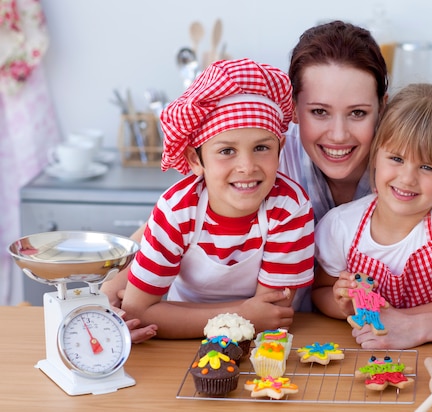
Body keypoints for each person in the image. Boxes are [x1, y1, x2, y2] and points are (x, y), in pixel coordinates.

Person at [104, 20, 432, 343]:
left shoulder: (416, 167)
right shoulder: (266, 156)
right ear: (292, 110)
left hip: (358, 340)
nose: (339, 135)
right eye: (319, 112)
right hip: (279, 336)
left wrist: (420, 323)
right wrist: (111, 288)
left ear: (382, 108)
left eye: (358, 114)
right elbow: (167, 224)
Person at [117, 58, 315, 339]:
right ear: (194, 159)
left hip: (250, 345)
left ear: (280, 148)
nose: (247, 166)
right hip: (177, 349)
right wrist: (245, 313)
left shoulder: (289, 208)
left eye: (261, 147)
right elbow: (138, 312)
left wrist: (167, 312)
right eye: (226, 151)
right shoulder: (177, 210)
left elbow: (273, 314)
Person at [312, 82, 432, 349]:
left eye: (427, 167)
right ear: (375, 157)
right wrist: (345, 305)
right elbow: (320, 292)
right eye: (396, 159)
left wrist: (407, 322)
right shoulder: (340, 226)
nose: (407, 178)